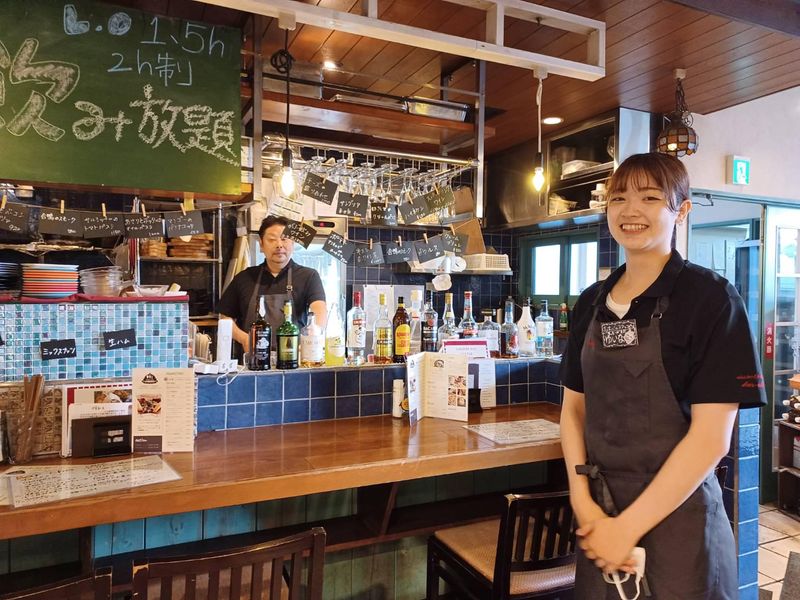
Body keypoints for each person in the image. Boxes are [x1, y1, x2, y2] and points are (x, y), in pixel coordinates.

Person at [559, 152, 765, 599]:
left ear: (681, 210)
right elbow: (573, 409)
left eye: (650, 198)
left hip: (680, 522)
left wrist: (625, 529)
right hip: (601, 515)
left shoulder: (711, 299)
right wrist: (583, 502)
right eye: (618, 198)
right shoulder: (591, 301)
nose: (630, 210)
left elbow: (711, 439)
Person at [218, 215, 326, 352]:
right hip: (252, 360)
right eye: (272, 239)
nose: (279, 245)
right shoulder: (244, 277)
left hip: (294, 357)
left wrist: (311, 338)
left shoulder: (308, 276)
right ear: (261, 245)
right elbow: (224, 317)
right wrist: (244, 339)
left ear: (293, 243)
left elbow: (319, 310)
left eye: (284, 239)